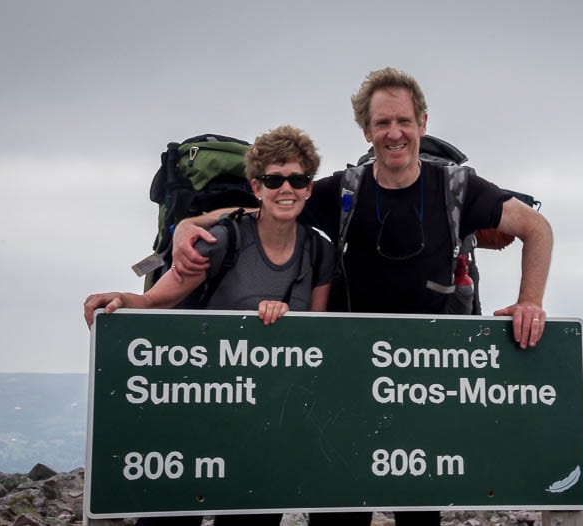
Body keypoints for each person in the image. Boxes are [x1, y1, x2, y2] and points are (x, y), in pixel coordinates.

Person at [171, 68, 554, 526]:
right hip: (345, 386)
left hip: (423, 384)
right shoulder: (345, 191)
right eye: (382, 124)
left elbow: (536, 228)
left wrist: (530, 300)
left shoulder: (456, 188)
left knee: (419, 514)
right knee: (338, 513)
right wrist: (190, 226)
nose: (394, 133)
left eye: (404, 121)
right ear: (367, 131)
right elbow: (271, 206)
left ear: (423, 123)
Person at [84, 125, 336, 526]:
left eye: (297, 179)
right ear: (256, 187)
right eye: (274, 180)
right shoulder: (221, 239)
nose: (285, 189)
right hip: (197, 418)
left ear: (309, 187)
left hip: (265, 427)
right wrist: (120, 304)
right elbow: (155, 301)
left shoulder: (320, 251)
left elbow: (315, 341)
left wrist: (287, 319)